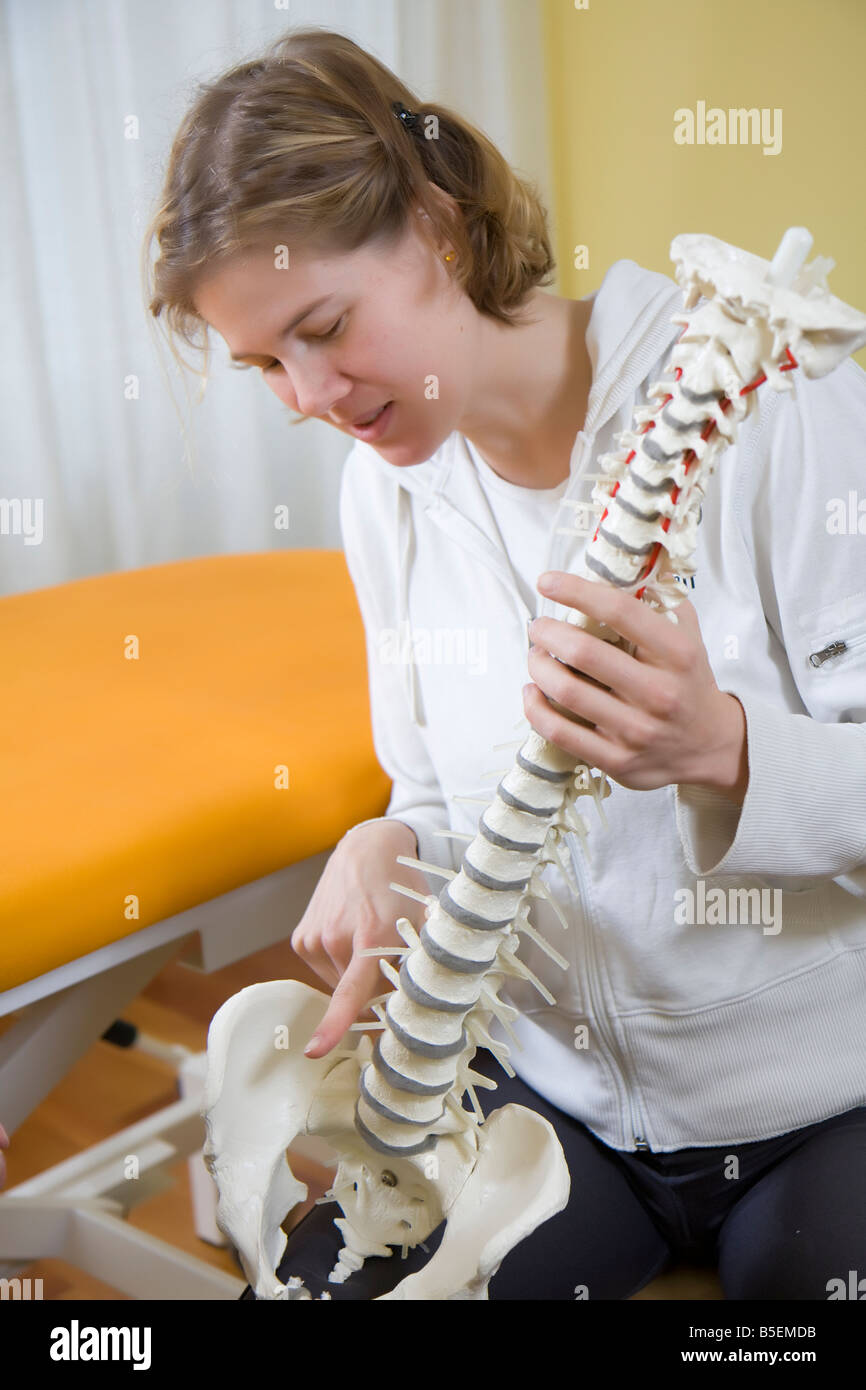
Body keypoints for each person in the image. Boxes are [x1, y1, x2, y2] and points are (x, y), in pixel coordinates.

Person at [144, 25, 866, 1300]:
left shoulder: (782, 408)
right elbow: (430, 789)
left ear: (435, 223)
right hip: (554, 1100)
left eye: (321, 326)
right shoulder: (389, 496)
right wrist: (389, 843)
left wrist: (725, 753)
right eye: (267, 365)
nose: (309, 397)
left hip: (825, 1095)